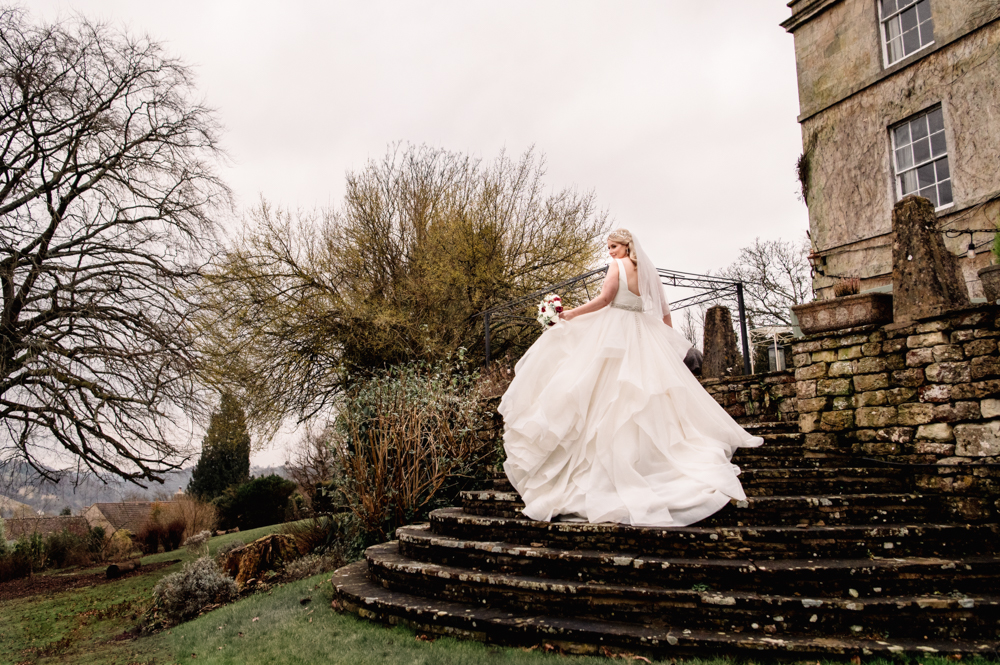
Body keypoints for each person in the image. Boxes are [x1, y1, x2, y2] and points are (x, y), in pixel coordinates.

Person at [498, 229, 763, 527]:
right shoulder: (648, 272)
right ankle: (647, 458)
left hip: (617, 329)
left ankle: (617, 466)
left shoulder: (618, 266)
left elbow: (604, 299)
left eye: (613, 246)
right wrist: (668, 343)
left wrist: (570, 314)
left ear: (626, 246)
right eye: (609, 248)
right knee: (642, 394)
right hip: (644, 332)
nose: (610, 252)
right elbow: (664, 312)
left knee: (604, 390)